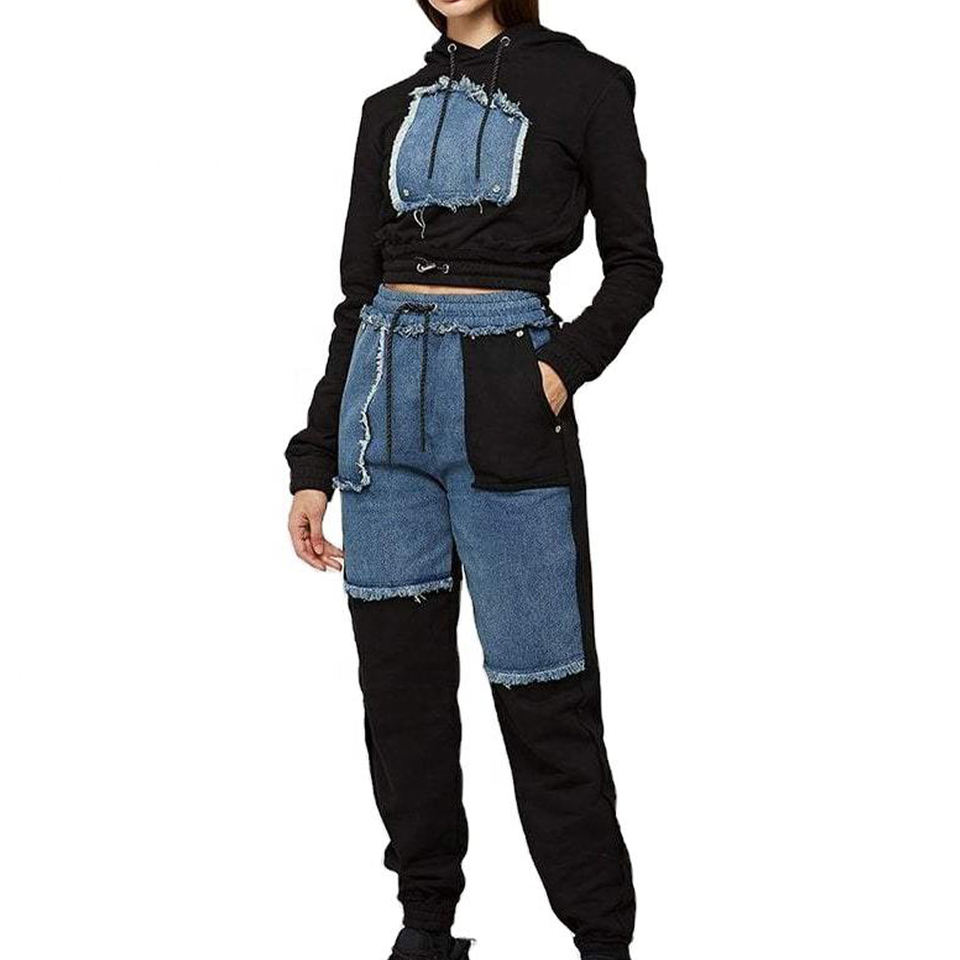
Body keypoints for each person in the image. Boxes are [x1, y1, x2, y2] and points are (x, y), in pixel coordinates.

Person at [285, 1, 662, 957]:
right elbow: (356, 296)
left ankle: (602, 940)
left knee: (543, 687)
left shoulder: (585, 85)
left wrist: (554, 371)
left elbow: (636, 266)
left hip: (503, 393)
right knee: (399, 693)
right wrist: (314, 459)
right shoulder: (388, 108)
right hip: (382, 409)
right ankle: (426, 923)